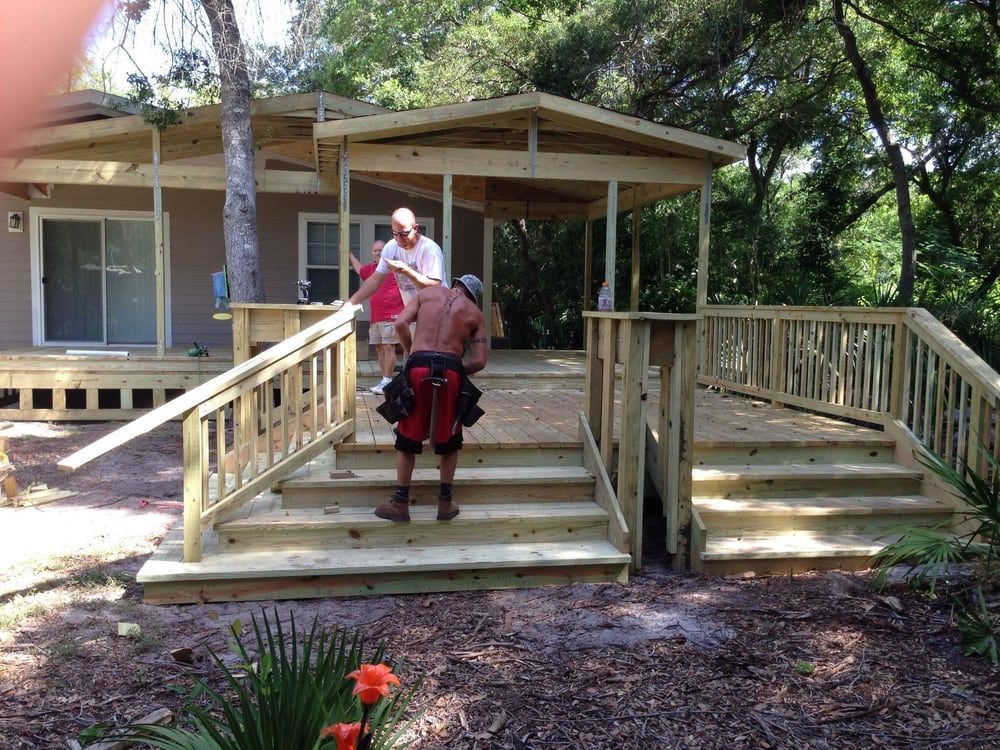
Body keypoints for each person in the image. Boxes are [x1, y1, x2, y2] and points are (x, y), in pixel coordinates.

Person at [374, 274, 488, 523]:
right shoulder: (475, 313)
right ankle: (445, 504)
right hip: (451, 370)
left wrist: (410, 352)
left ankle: (401, 504)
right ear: (474, 296)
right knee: (450, 437)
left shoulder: (427, 293)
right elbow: (479, 360)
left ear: (456, 284)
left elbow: (401, 324)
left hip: (418, 365)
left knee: (407, 434)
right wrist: (456, 370)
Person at [347, 208, 445, 314]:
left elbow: (434, 286)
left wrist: (406, 270)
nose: (399, 239)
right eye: (395, 233)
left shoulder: (429, 249)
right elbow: (375, 280)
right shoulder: (391, 247)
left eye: (404, 234)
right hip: (414, 313)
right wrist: (350, 303)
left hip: (438, 312)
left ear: (415, 228)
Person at [349, 240, 404, 395]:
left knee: (389, 346)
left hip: (392, 315)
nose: (378, 253)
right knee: (379, 348)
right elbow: (359, 270)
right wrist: (350, 255)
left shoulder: (395, 268)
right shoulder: (372, 269)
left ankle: (387, 381)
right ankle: (384, 380)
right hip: (376, 317)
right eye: (375, 251)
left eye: (381, 250)